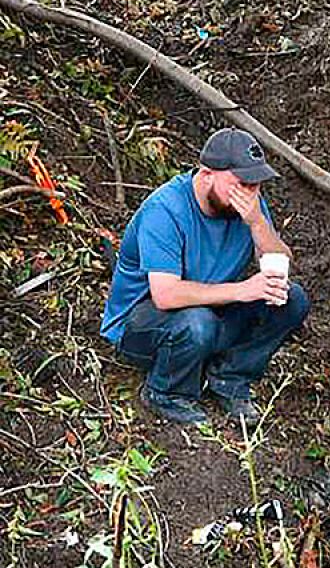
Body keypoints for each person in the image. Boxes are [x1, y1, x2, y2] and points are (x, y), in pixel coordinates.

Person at [101, 128, 309, 427]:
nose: (249, 193)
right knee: (197, 322)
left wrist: (257, 223)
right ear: (208, 173)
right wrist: (242, 290)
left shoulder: (250, 205)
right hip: (145, 326)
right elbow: (166, 295)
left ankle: (229, 378)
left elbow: (281, 261)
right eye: (241, 183)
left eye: (256, 185)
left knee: (292, 298)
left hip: (211, 314)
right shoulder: (165, 209)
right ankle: (166, 391)